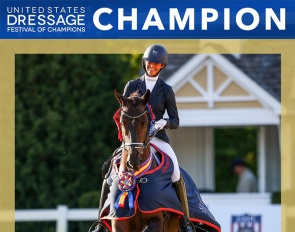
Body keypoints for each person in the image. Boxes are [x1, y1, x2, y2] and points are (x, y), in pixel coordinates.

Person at [93, 44, 193, 232]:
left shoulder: (166, 90)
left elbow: (175, 120)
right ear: (144, 63)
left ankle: (185, 221)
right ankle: (101, 222)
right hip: (133, 139)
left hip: (157, 138)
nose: (152, 66)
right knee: (108, 176)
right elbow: (125, 110)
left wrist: (163, 123)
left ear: (162, 66)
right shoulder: (132, 85)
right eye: (149, 63)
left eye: (156, 64)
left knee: (176, 173)